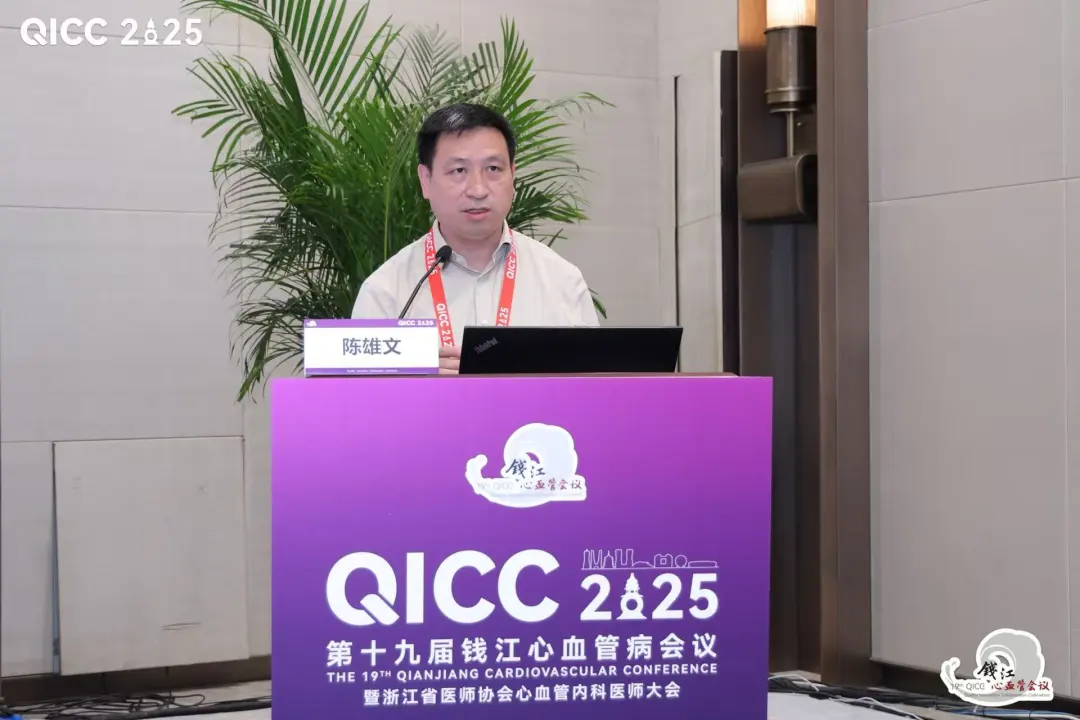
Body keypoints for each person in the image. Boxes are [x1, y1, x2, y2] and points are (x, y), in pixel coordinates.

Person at [351, 102, 600, 374]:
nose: (478, 189)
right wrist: (415, 385)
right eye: (458, 171)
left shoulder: (562, 282)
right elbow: (360, 396)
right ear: (426, 180)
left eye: (493, 168)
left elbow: (593, 388)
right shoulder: (386, 292)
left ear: (513, 174)